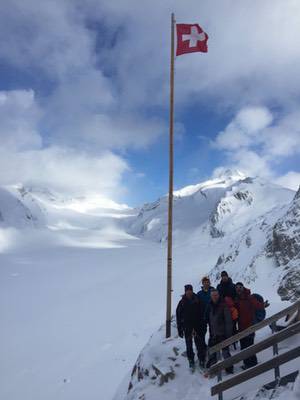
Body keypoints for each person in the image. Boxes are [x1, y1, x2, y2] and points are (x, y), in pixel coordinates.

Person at [235, 282, 266, 369]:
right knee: (244, 346)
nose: (238, 289)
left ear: (243, 288)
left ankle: (252, 364)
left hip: (250, 326)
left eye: (240, 287)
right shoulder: (237, 299)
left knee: (249, 346)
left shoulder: (249, 297)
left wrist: (262, 306)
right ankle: (247, 364)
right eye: (237, 287)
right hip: (241, 327)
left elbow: (258, 305)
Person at [176, 284, 207, 369]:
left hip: (198, 326)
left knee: (199, 344)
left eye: (190, 290)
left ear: (192, 291)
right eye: (187, 291)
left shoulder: (198, 300)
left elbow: (203, 313)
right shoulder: (182, 302)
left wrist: (204, 325)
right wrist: (180, 328)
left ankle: (201, 359)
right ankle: (191, 360)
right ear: (185, 291)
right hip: (187, 327)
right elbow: (178, 316)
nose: (189, 292)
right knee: (188, 345)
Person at [206, 289, 233, 373]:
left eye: (216, 295)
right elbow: (208, 319)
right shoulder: (209, 306)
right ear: (211, 296)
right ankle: (214, 369)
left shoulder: (223, 305)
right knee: (212, 352)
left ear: (218, 295)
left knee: (225, 353)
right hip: (213, 334)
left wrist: (228, 335)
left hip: (223, 334)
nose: (214, 297)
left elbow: (228, 321)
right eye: (213, 295)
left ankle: (229, 369)